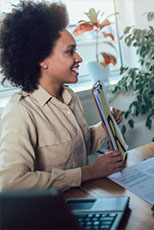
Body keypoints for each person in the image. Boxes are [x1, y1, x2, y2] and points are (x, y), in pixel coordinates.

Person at [0, 1, 123, 191]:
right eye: (70, 51)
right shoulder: (20, 113)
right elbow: (11, 183)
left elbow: (76, 147)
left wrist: (105, 127)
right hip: (50, 213)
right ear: (42, 60)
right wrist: (89, 172)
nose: (79, 58)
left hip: (83, 199)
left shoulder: (69, 97)